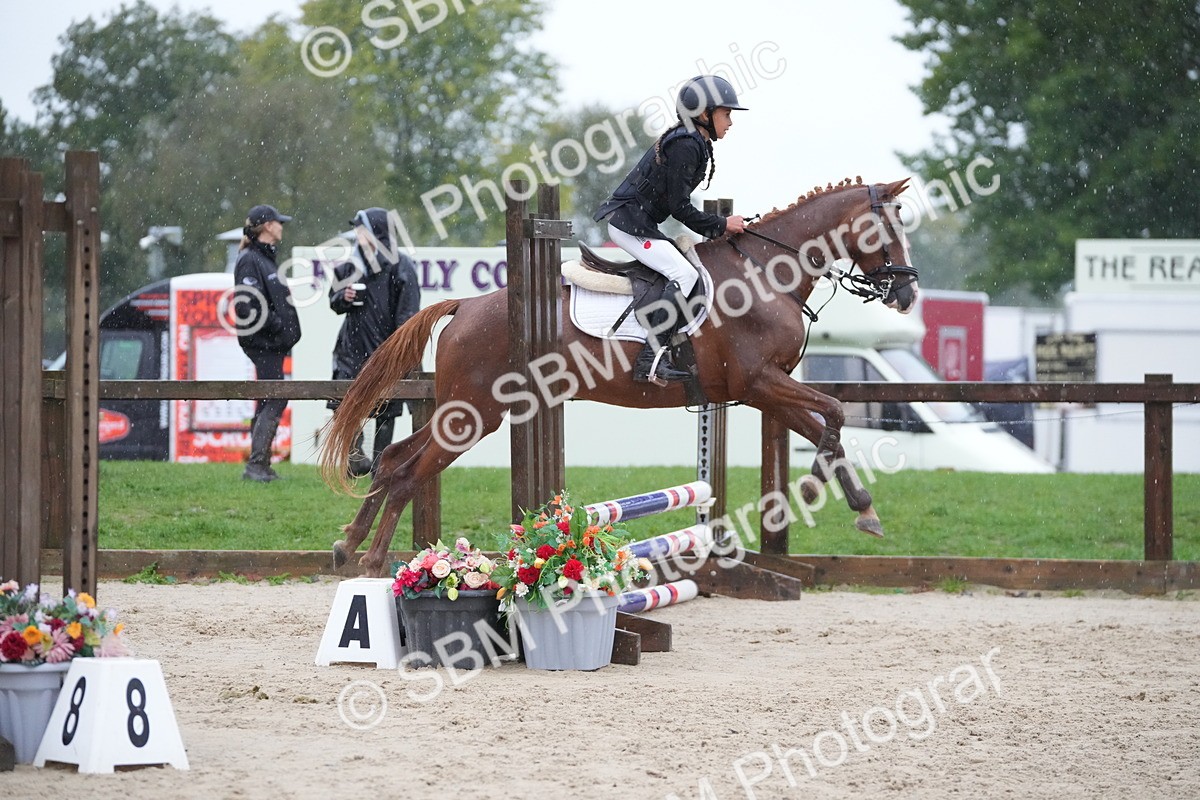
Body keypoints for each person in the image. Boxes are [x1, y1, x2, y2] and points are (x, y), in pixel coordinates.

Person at [595, 74, 749, 383]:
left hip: (638, 223)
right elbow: (680, 207)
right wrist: (721, 224)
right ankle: (648, 360)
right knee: (685, 274)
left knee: (683, 269)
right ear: (705, 114)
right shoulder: (686, 144)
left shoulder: (693, 140)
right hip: (629, 226)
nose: (730, 122)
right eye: (727, 113)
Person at [327, 207, 421, 476]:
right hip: (350, 349)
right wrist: (340, 297)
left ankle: (381, 467)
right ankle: (355, 459)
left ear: (376, 231)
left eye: (361, 227)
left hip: (386, 351)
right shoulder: (349, 266)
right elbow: (333, 303)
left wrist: (398, 352)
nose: (357, 233)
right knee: (345, 407)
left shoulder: (402, 266)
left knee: (386, 411)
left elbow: (409, 316)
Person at [233, 204, 302, 482]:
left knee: (270, 396)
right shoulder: (250, 259)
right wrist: (279, 328)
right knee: (276, 395)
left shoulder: (263, 258)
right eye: (278, 222)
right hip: (263, 343)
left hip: (271, 343)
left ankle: (259, 463)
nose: (282, 226)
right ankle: (257, 464)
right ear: (267, 226)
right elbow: (247, 306)